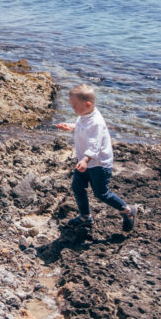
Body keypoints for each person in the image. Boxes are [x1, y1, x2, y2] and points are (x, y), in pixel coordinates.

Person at [55, 84, 137, 231]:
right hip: (85, 162)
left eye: (74, 106)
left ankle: (128, 210)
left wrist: (85, 159)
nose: (72, 108)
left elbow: (94, 144)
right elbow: (83, 127)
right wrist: (71, 126)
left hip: (98, 164)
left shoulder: (96, 122)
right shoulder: (84, 114)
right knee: (77, 187)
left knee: (101, 193)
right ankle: (85, 217)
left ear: (88, 104)